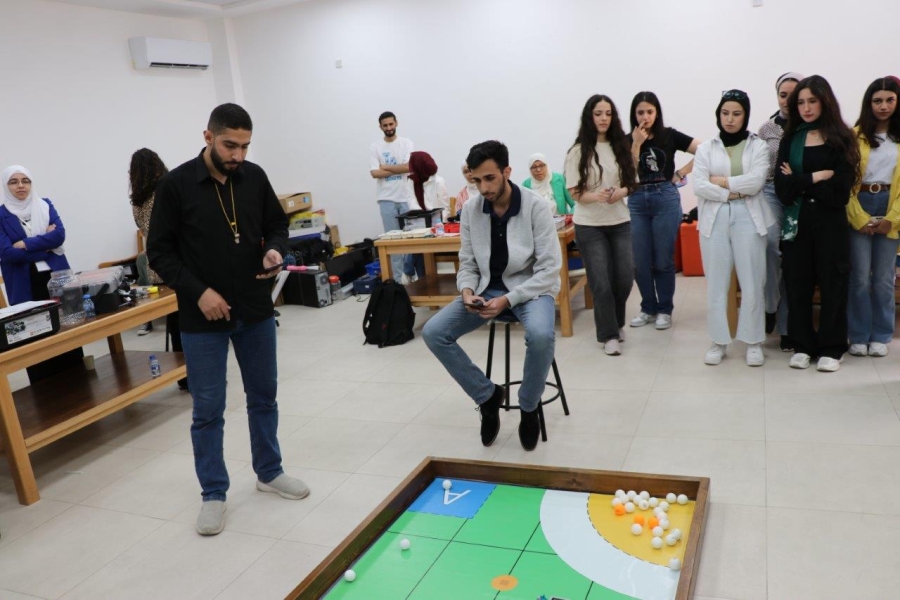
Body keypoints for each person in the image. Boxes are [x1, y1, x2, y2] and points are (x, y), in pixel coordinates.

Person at [148, 103, 309, 536]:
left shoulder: (253, 176)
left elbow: (277, 225)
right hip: (202, 318)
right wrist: (199, 292)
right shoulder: (176, 185)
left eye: (245, 146)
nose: (237, 155)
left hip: (255, 308)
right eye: (229, 145)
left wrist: (274, 249)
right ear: (208, 137)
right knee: (208, 410)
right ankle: (213, 493)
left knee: (264, 397)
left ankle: (269, 472)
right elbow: (158, 253)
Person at [422, 141, 561, 451]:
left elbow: (549, 270)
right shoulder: (471, 210)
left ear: (506, 172)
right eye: (477, 180)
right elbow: (468, 262)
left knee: (541, 335)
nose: (483, 187)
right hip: (486, 289)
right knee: (434, 333)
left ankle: (529, 407)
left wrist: (508, 300)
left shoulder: (536, 207)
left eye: (490, 178)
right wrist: (466, 290)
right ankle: (487, 396)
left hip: (531, 289)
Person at [775, 75, 860, 372]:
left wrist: (799, 181)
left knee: (833, 284)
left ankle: (832, 347)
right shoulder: (791, 139)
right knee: (797, 284)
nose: (807, 108)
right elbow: (782, 190)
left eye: (812, 101)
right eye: (800, 102)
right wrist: (818, 176)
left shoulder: (841, 139)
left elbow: (840, 193)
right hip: (797, 223)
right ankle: (802, 345)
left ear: (825, 101)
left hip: (830, 222)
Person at [693, 90, 774, 366]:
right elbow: (699, 186)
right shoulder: (706, 148)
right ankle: (718, 341)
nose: (730, 119)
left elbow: (756, 182)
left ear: (745, 116)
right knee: (717, 283)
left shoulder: (758, 146)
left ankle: (753, 341)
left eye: (736, 114)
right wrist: (733, 191)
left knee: (753, 280)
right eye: (725, 113)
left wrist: (722, 182)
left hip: (749, 216)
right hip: (714, 218)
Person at [564, 94, 636, 356]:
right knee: (601, 282)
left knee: (625, 278)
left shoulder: (620, 146)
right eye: (598, 114)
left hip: (620, 221)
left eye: (608, 113)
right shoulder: (577, 151)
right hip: (590, 225)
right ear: (589, 117)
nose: (603, 118)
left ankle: (616, 322)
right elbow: (574, 192)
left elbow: (631, 182)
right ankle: (608, 335)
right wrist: (598, 197)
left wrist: (621, 192)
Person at [1, 165, 84, 384]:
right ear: (6, 186)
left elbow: (59, 236)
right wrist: (44, 248)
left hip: (55, 276)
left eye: (25, 180)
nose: (20, 186)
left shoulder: (45, 205)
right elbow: (7, 253)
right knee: (33, 334)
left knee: (67, 330)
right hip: (24, 282)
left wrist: (25, 244)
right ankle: (43, 389)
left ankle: (79, 384)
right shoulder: (1, 215)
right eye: (13, 182)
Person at [627, 92, 700, 330]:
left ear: (657, 112)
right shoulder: (627, 139)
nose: (645, 117)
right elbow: (627, 174)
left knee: (663, 259)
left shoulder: (669, 135)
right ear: (634, 114)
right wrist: (636, 144)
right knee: (640, 260)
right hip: (637, 198)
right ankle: (647, 308)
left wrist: (680, 173)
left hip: (665, 197)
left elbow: (704, 149)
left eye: (650, 112)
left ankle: (664, 309)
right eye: (640, 112)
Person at [846, 77, 900, 357]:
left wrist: (894, 218)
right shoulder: (854, 136)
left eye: (890, 100)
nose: (883, 106)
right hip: (861, 203)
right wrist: (858, 218)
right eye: (877, 101)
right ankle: (858, 334)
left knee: (883, 278)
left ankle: (881, 334)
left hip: (892, 205)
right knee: (859, 277)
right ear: (869, 103)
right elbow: (845, 181)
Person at [129, 148, 187, 390]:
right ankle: (196, 372)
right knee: (189, 322)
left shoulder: (137, 202)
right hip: (178, 261)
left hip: (156, 267)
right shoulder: (166, 192)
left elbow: (145, 231)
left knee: (175, 324)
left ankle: (183, 376)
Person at [759, 72, 803, 352]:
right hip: (771, 192)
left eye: (793, 95)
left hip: (801, 195)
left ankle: (787, 328)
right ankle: (770, 305)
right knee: (771, 247)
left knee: (793, 259)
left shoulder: (811, 125)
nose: (787, 100)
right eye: (782, 95)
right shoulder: (767, 128)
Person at [369, 111, 414, 278]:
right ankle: (398, 280)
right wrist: (397, 168)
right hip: (386, 199)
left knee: (411, 240)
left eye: (391, 124)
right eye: (385, 125)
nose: (389, 128)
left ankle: (411, 276)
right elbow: (375, 173)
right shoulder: (375, 147)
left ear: (396, 123)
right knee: (393, 242)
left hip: (405, 198)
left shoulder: (406, 143)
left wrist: (385, 167)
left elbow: (408, 167)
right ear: (380, 127)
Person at [403, 151, 450, 279]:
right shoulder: (411, 181)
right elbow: (411, 202)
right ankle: (422, 278)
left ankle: (408, 271)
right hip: (419, 221)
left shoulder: (438, 181)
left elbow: (444, 208)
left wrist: (434, 223)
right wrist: (423, 218)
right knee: (417, 241)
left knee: (417, 245)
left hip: (437, 224)